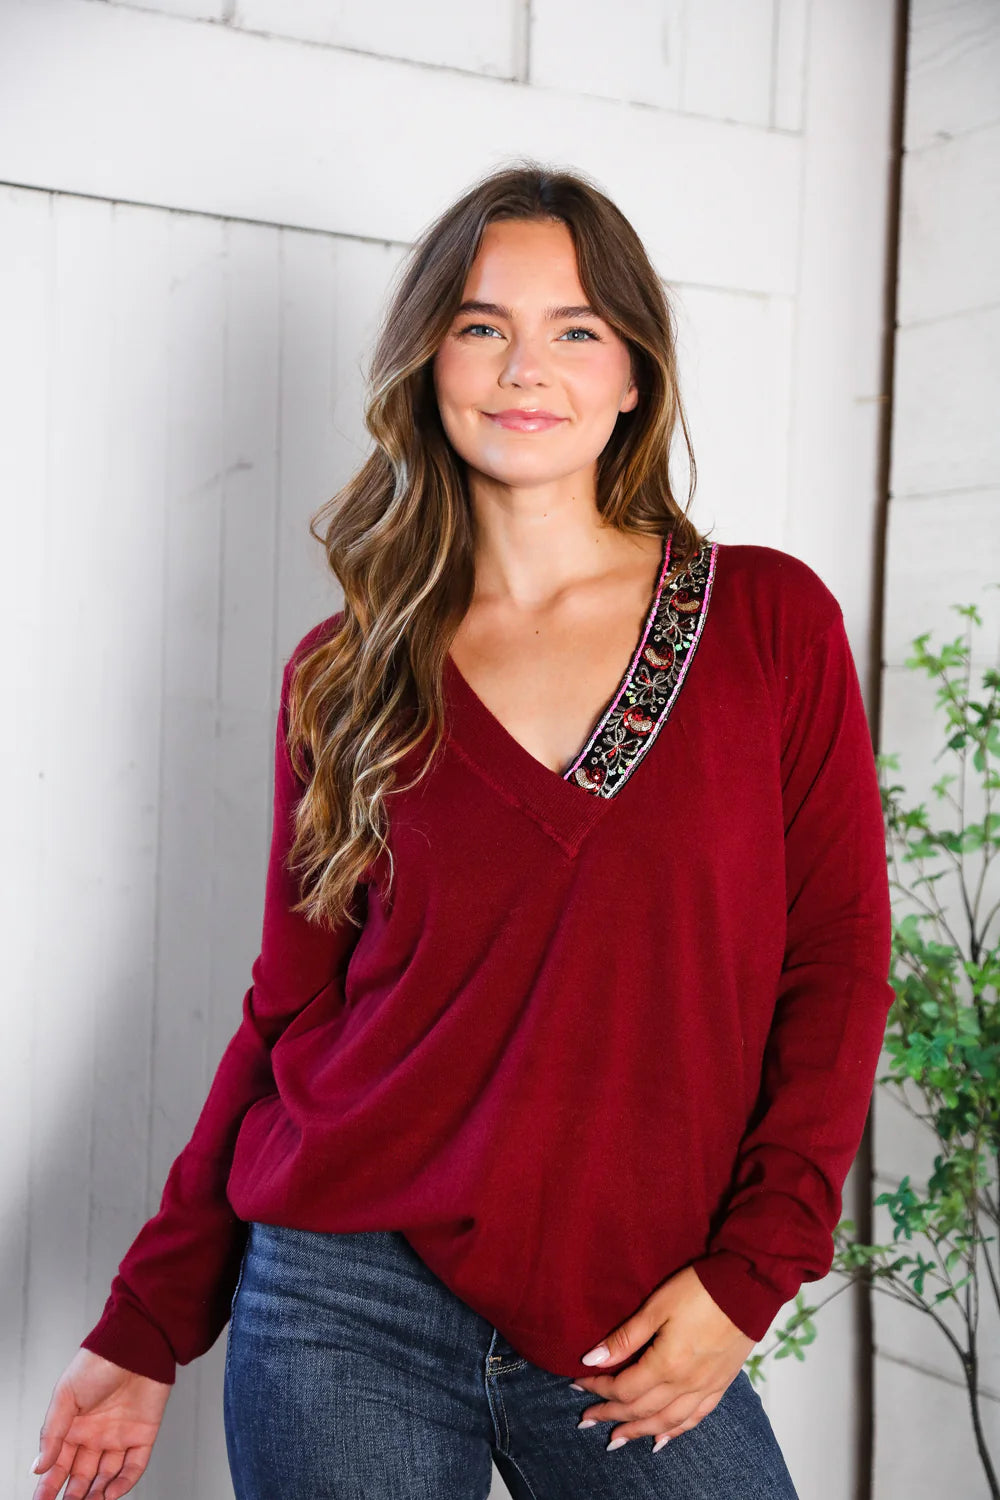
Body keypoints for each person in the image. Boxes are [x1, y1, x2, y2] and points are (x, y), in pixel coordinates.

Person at [30, 161, 892, 1500]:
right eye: (482, 325)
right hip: (338, 1301)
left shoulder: (767, 625)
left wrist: (751, 1275)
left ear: (633, 376)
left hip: (636, 1306)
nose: (523, 367)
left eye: (575, 330)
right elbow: (289, 1016)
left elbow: (835, 970)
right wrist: (147, 1326)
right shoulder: (346, 672)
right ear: (431, 360)